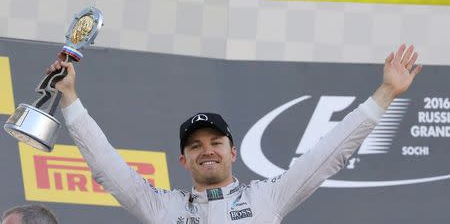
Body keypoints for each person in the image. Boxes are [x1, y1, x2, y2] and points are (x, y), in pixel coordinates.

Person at [48, 44, 421, 223]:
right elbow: (106, 166)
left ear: (233, 152)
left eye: (215, 142)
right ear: (183, 160)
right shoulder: (163, 207)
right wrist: (69, 98)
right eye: (195, 145)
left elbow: (327, 154)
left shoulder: (267, 198)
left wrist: (386, 93)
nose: (206, 150)